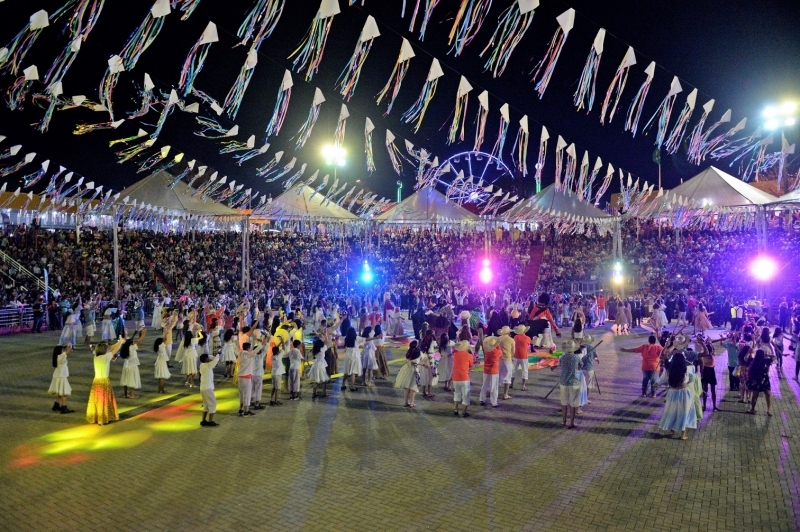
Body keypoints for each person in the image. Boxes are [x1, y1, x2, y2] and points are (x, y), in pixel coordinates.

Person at [657, 352, 697, 440]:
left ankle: (672, 431)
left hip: (673, 393)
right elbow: (691, 377)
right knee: (685, 412)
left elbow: (661, 380)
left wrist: (657, 384)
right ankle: (683, 434)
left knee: (673, 411)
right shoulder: (687, 369)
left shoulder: (669, 371)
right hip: (684, 393)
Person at [87, 338, 124, 425]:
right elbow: (114, 350)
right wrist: (121, 342)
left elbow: (110, 348)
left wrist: (118, 342)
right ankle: (104, 418)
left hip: (96, 381)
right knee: (104, 401)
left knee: (97, 400)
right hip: (104, 381)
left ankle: (97, 417)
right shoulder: (105, 357)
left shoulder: (96, 357)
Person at [559, 348, 583, 429]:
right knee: (573, 404)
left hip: (564, 382)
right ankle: (571, 422)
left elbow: (560, 365)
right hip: (574, 382)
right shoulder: (577, 357)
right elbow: (580, 366)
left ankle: (564, 421)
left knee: (564, 403)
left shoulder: (563, 357)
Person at [120, 327, 147, 399]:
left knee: (125, 380)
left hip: (126, 366)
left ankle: (126, 394)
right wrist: (143, 334)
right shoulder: (132, 348)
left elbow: (126, 340)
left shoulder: (125, 348)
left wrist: (125, 333)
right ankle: (132, 394)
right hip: (132, 366)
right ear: (131, 344)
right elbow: (139, 341)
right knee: (131, 380)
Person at [48, 344, 74, 414]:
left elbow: (65, 350)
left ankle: (56, 405)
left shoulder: (58, 356)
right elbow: (68, 350)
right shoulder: (60, 356)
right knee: (64, 392)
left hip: (59, 375)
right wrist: (69, 345)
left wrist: (65, 346)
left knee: (60, 392)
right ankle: (63, 407)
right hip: (61, 376)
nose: (63, 350)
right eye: (62, 350)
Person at [746, 348, 773, 416]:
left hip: (756, 380)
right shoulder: (766, 361)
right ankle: (769, 410)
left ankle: (752, 409)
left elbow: (746, 360)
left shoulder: (754, 361)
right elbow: (774, 357)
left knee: (755, 395)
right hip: (764, 380)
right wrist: (767, 355)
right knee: (768, 395)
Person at [395, 340, 421, 408]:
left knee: (406, 387)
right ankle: (412, 403)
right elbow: (418, 361)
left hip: (406, 369)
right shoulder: (418, 352)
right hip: (414, 370)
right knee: (413, 387)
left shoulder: (409, 352)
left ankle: (405, 402)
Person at [451, 340, 473, 417]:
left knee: (457, 393)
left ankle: (455, 409)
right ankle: (464, 412)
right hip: (464, 377)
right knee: (466, 395)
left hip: (455, 377)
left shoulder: (455, 355)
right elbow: (471, 365)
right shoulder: (469, 355)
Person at [696, 336, 719, 412]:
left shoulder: (704, 356)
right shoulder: (712, 356)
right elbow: (713, 350)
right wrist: (710, 344)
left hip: (705, 371)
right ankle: (714, 406)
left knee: (705, 389)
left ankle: (704, 405)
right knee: (713, 390)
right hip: (711, 371)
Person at [199, 352, 220, 427]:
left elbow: (213, 361)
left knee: (206, 405)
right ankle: (210, 421)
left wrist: (209, 357)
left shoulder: (202, 365)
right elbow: (215, 360)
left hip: (203, 387)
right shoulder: (208, 365)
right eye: (208, 358)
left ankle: (203, 420)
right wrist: (218, 354)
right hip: (208, 388)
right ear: (206, 359)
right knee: (212, 404)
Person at [479, 337, 501, 407]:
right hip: (494, 370)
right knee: (494, 386)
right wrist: (497, 344)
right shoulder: (497, 351)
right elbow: (500, 352)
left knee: (484, 385)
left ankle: (482, 399)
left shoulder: (486, 351)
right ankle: (494, 402)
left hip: (486, 369)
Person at [237, 342, 256, 416]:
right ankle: (246, 410)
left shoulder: (240, 353)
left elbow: (235, 349)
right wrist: (262, 344)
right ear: (248, 348)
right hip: (246, 376)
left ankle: (241, 409)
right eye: (250, 347)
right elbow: (257, 350)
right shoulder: (249, 354)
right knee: (247, 394)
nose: (251, 349)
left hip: (240, 376)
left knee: (241, 394)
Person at [510, 324, 531, 391]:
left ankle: (511, 383)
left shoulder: (516, 337)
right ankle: (523, 386)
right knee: (525, 370)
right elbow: (528, 346)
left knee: (514, 370)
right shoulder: (527, 338)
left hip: (516, 355)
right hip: (524, 356)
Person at [342, 327, 362, 392]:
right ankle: (352, 386)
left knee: (347, 371)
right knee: (353, 371)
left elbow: (338, 336)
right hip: (355, 355)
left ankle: (343, 384)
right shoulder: (357, 338)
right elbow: (366, 339)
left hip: (348, 354)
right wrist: (375, 337)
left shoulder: (346, 338)